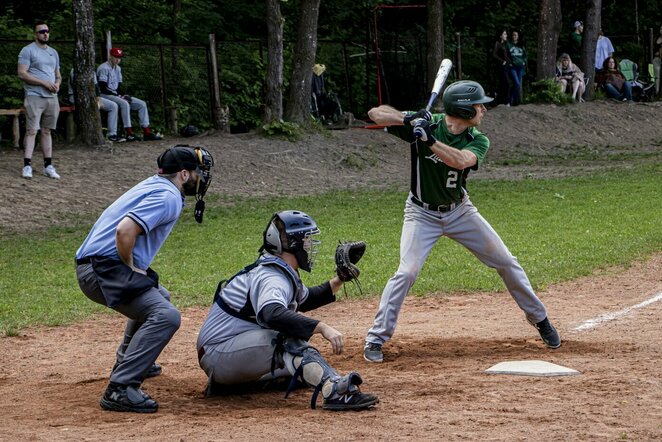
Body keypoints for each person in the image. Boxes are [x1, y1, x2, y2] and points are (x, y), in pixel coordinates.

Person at [362, 80, 561, 363]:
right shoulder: (428, 122)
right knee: (406, 272)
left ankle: (540, 319)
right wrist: (407, 118)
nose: (484, 109)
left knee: (505, 261)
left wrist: (428, 140)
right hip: (421, 213)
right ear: (464, 110)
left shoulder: (477, 139)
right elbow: (374, 113)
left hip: (460, 212)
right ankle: (376, 338)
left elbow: (460, 161)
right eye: (479, 105)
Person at [75, 145, 214, 413]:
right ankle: (120, 388)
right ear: (184, 174)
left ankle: (131, 360)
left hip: (97, 264)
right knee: (166, 316)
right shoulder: (168, 197)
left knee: (160, 296)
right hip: (102, 269)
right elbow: (125, 231)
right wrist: (129, 268)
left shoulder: (155, 185)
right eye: (198, 173)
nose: (201, 179)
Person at [197, 210, 379, 411]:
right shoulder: (271, 277)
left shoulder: (279, 270)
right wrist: (321, 327)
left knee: (298, 362)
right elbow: (272, 313)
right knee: (287, 341)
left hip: (227, 351)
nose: (310, 245)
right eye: (307, 239)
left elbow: (305, 299)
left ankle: (246, 383)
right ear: (293, 243)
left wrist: (340, 279)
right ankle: (335, 390)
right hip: (219, 354)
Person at [17, 21, 61, 180]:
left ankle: (48, 166)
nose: (45, 34)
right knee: (31, 130)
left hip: (52, 97)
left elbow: (58, 74)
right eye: (42, 31)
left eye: (47, 31)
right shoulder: (28, 50)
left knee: (47, 130)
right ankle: (27, 165)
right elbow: (22, 73)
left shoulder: (53, 52)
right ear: (36, 34)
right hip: (35, 95)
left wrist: (57, 84)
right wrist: (43, 83)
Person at [96, 47, 162, 142]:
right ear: (110, 56)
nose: (118, 59)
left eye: (119, 57)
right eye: (116, 57)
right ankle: (129, 133)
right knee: (124, 103)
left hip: (114, 94)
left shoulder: (118, 68)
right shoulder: (103, 67)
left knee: (141, 104)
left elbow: (118, 86)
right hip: (104, 95)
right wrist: (119, 96)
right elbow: (102, 87)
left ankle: (147, 132)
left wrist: (123, 95)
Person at [68, 68, 126, 143]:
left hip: (91, 97)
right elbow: (78, 88)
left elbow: (96, 87)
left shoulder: (91, 69)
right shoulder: (75, 70)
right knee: (92, 106)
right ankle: (89, 134)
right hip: (75, 97)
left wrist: (98, 99)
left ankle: (112, 135)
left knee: (113, 106)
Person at [491, 30, 512, 106]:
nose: (506, 35)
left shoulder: (506, 44)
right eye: (504, 34)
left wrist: (510, 63)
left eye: (506, 34)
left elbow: (507, 55)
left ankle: (502, 101)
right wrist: (502, 61)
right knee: (506, 83)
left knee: (504, 83)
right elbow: (494, 54)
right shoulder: (498, 44)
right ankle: (507, 101)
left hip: (507, 66)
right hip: (501, 67)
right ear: (500, 36)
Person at [506, 30, 527, 106]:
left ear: (518, 36)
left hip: (520, 67)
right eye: (513, 35)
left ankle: (514, 101)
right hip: (513, 67)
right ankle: (509, 100)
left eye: (515, 35)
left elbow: (525, 56)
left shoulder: (521, 45)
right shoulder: (509, 45)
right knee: (517, 84)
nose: (514, 36)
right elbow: (506, 55)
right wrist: (510, 63)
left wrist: (524, 62)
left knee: (516, 85)